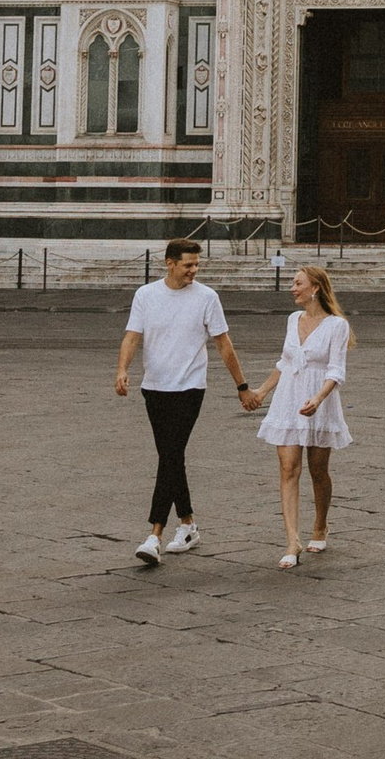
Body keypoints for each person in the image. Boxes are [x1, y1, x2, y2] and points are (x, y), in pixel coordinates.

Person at [114, 240, 252, 564]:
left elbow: (224, 345)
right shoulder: (145, 296)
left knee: (171, 454)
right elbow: (132, 336)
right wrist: (122, 369)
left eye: (196, 266)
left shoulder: (207, 298)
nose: (193, 271)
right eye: (188, 265)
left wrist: (242, 386)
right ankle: (188, 524)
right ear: (169, 263)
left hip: (190, 388)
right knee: (170, 457)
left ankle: (154, 535)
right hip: (155, 387)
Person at [244, 260, 352, 567]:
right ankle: (292, 541)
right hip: (288, 400)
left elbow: (336, 370)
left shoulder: (337, 325)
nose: (292, 288)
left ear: (315, 288)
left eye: (298, 283)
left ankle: (320, 524)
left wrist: (318, 399)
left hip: (320, 401)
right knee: (288, 469)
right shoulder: (292, 319)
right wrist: (261, 393)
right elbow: (285, 362)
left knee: (318, 470)